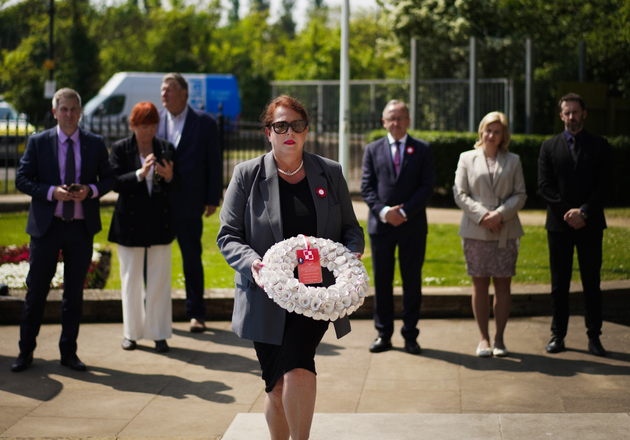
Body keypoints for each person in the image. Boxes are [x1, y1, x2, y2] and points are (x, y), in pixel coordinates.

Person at [217, 95, 364, 440]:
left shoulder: (330, 172)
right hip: (265, 294)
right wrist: (253, 263)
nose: (289, 132)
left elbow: (351, 229)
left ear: (306, 130)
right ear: (268, 132)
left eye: (296, 125)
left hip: (315, 295)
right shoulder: (246, 175)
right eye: (280, 125)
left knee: (298, 365)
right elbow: (228, 236)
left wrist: (350, 255)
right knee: (276, 385)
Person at [11, 88, 115, 372]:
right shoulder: (38, 142)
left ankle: (68, 352)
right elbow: (22, 179)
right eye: (63, 109)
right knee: (36, 292)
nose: (68, 114)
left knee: (73, 295)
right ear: (55, 112)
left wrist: (90, 191)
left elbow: (108, 179)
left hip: (81, 229)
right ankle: (25, 352)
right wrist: (50, 192)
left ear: (80, 112)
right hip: (46, 229)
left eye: (73, 109)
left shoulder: (95, 142)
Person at [538, 92, 611, 357]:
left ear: (584, 113)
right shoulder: (549, 146)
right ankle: (558, 335)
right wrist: (568, 213)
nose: (571, 117)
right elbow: (544, 187)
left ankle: (594, 337)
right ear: (561, 116)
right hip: (559, 227)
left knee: (592, 282)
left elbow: (605, 186)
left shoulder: (600, 145)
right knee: (560, 284)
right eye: (566, 113)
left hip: (590, 225)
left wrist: (584, 212)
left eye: (575, 112)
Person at [361, 100, 434, 354]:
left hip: (411, 225)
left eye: (400, 117)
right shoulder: (372, 149)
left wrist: (403, 212)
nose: (396, 122)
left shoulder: (422, 149)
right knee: (382, 282)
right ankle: (384, 334)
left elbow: (426, 187)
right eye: (391, 118)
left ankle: (410, 335)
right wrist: (384, 212)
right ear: (384, 122)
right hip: (381, 227)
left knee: (412, 281)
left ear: (408, 120)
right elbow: (367, 187)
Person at [453, 111, 526, 357]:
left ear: (503, 134)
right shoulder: (466, 158)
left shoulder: (513, 160)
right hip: (476, 230)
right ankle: (483, 339)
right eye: (488, 130)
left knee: (503, 283)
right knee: (480, 284)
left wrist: (500, 215)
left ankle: (500, 340)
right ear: (481, 132)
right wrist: (485, 215)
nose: (491, 135)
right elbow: (459, 193)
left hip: (506, 229)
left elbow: (521, 194)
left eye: (497, 131)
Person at [108, 102, 178, 353]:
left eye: (153, 126)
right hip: (130, 223)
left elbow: (175, 185)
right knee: (131, 280)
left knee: (160, 280)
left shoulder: (166, 148)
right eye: (143, 126)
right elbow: (115, 182)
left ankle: (159, 334)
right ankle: (131, 334)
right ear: (133, 125)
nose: (148, 131)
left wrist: (168, 176)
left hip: (159, 221)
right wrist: (140, 173)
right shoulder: (120, 148)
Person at [157, 72, 222, 333]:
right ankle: (158, 314)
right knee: (158, 258)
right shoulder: (157, 121)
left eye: (169, 90)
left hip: (190, 200)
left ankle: (196, 313)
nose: (164, 94)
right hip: (160, 203)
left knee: (191, 257)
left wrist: (211, 198)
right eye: (162, 90)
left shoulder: (204, 122)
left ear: (184, 93)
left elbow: (214, 162)